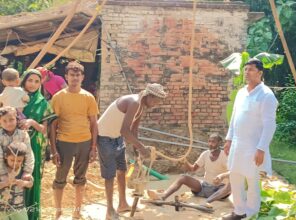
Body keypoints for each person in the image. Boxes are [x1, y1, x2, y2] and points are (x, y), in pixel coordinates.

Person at [97, 83, 167, 219]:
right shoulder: (134, 102)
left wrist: (137, 149)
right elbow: (125, 130)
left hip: (116, 138)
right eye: (156, 101)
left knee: (122, 171)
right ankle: (109, 210)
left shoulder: (141, 105)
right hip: (105, 137)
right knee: (109, 176)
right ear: (149, 96)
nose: (156, 104)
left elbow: (134, 130)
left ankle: (122, 204)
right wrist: (141, 147)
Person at [223, 59, 278, 220]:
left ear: (260, 73)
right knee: (235, 177)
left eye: (251, 70)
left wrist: (261, 148)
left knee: (252, 181)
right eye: (245, 69)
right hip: (238, 144)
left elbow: (270, 125)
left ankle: (251, 214)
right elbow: (234, 117)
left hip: (254, 146)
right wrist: (228, 139)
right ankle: (239, 212)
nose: (247, 72)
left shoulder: (266, 95)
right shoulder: (241, 93)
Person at [49, 61, 99, 219]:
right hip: (64, 142)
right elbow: (53, 125)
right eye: (72, 75)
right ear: (66, 76)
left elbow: (93, 123)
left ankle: (77, 212)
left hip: (84, 141)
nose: (75, 78)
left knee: (80, 179)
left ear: (82, 77)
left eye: (78, 75)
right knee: (60, 178)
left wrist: (93, 147)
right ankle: (58, 211)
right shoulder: (58, 97)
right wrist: (53, 150)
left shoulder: (89, 97)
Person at [147, 133, 231, 205]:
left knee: (228, 188)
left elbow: (232, 173)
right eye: (209, 141)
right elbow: (193, 169)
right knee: (183, 177)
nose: (210, 144)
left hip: (219, 190)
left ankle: (206, 202)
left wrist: (221, 177)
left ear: (219, 143)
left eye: (213, 142)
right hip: (205, 187)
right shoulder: (205, 154)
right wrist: (185, 161)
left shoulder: (225, 155)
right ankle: (163, 197)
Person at [19, 69, 56, 220]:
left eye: (36, 81)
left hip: (33, 146)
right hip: (11, 146)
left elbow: (44, 129)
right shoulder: (15, 98)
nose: (33, 84)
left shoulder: (43, 103)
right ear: (23, 80)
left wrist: (32, 122)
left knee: (30, 178)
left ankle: (30, 216)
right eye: (30, 80)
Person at [0, 142, 34, 220]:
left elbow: (31, 183)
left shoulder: (23, 172)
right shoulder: (2, 172)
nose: (15, 163)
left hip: (19, 207)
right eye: (12, 160)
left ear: (23, 160)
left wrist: (23, 183)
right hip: (1, 209)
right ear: (5, 156)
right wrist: (5, 183)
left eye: (19, 161)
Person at [0, 107, 34, 181]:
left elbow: (28, 153)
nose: (8, 123)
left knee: (18, 190)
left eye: (11, 120)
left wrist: (27, 172)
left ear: (17, 119)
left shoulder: (23, 135)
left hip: (18, 171)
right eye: (4, 121)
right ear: (0, 122)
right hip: (1, 171)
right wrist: (3, 174)